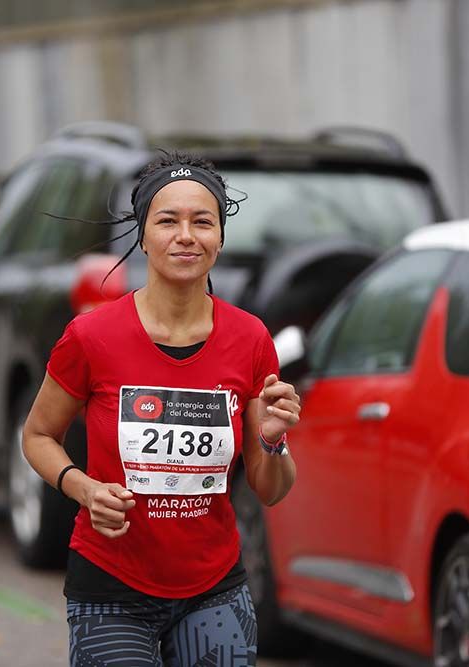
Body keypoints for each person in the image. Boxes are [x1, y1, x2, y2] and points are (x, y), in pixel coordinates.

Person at [22, 151, 300, 666]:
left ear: (220, 237)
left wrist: (272, 438)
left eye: (203, 222)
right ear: (144, 236)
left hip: (214, 586)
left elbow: (271, 489)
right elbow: (37, 435)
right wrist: (84, 489)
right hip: (111, 583)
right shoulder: (91, 336)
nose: (186, 236)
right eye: (168, 221)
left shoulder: (250, 339)